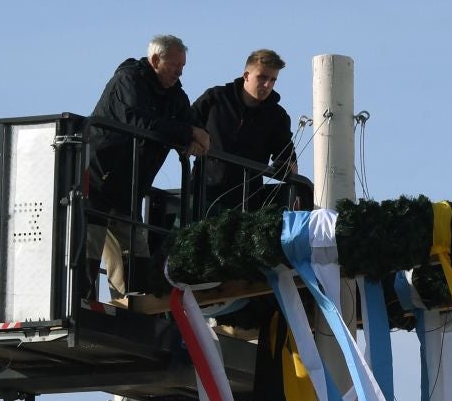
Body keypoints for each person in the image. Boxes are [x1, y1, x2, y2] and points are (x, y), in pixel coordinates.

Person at [84, 34, 211, 302]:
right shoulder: (128, 80)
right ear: (155, 60)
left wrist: (195, 136)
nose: (180, 71)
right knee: (90, 246)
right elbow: (138, 122)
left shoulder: (174, 94)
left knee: (135, 252)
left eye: (183, 66)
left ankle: (130, 309)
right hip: (99, 179)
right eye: (175, 65)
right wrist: (188, 131)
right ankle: (83, 306)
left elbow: (186, 122)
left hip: (129, 187)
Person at [191, 49, 298, 214]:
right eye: (262, 77)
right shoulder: (216, 97)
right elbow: (187, 121)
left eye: (273, 80)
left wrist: (287, 167)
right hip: (202, 193)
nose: (267, 85)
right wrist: (194, 137)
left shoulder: (277, 116)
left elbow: (287, 158)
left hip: (246, 204)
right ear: (246, 75)